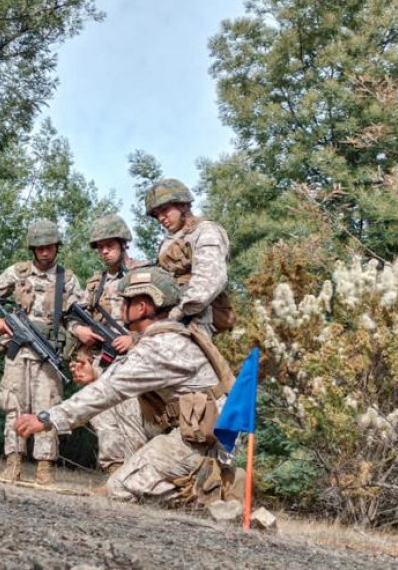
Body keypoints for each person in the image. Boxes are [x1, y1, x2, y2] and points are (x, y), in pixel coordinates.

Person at [14, 267, 237, 503]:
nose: (121, 309)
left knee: (121, 487)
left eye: (126, 303)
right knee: (123, 405)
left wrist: (46, 419)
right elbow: (120, 381)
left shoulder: (160, 347)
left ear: (142, 308)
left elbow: (110, 390)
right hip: (199, 433)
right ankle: (175, 475)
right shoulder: (165, 338)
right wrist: (96, 375)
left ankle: (210, 493)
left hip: (206, 444)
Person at [0, 220, 83, 486]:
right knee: (13, 405)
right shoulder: (18, 273)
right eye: (39, 247)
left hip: (48, 354)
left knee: (47, 407)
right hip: (17, 352)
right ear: (32, 248)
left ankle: (44, 468)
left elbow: (80, 316)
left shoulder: (68, 279)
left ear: (56, 247)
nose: (44, 252)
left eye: (49, 247)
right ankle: (13, 463)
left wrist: (73, 340)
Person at [76, 213, 148, 477]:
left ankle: (136, 476)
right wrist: (79, 329)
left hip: (135, 358)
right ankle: (113, 473)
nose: (105, 251)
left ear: (122, 244)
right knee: (102, 416)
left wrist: (134, 339)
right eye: (101, 247)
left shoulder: (144, 273)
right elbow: (77, 315)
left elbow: (164, 319)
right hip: (102, 359)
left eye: (110, 245)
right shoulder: (96, 283)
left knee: (130, 418)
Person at [144, 179, 233, 335]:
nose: (161, 218)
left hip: (197, 320)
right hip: (170, 321)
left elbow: (209, 280)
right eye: (157, 215)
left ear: (183, 205)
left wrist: (177, 313)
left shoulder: (205, 231)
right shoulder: (167, 243)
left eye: (164, 210)